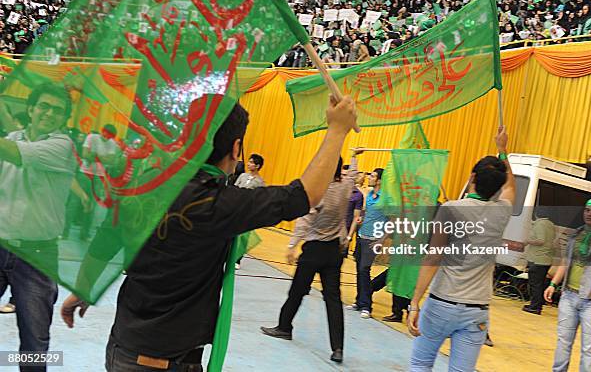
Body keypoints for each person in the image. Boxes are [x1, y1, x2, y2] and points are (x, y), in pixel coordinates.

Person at [61, 95, 357, 371]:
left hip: (123, 347)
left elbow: (104, 242)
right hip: (165, 360)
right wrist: (337, 130)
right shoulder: (219, 203)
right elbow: (304, 196)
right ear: (237, 148)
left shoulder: (145, 183)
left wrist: (82, 289)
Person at [408, 126, 516, 372]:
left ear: (472, 178)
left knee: (420, 364)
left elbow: (433, 257)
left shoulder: (451, 209)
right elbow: (511, 188)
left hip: (441, 303)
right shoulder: (502, 211)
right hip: (477, 310)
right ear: (497, 186)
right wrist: (503, 150)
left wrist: (415, 302)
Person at [0, 83, 76, 371]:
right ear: (31, 109)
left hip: (37, 256)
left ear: (63, 118)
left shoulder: (62, 146)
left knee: (34, 343)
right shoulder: (12, 138)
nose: (49, 113)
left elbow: (17, 154)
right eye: (43, 106)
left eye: (57, 110)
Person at [261, 149, 361, 364]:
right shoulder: (346, 188)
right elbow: (352, 175)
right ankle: (338, 348)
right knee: (333, 299)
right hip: (334, 252)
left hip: (314, 250)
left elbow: (304, 221)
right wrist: (355, 157)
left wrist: (291, 245)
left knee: (297, 291)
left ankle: (284, 327)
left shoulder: (319, 192)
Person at [544, 198, 591, 372]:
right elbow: (566, 263)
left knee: (590, 348)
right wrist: (553, 284)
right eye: (587, 210)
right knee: (563, 342)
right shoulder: (575, 235)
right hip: (569, 296)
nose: (589, 213)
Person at [346, 167, 386, 319]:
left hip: (373, 240)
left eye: (373, 176)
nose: (370, 177)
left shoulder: (386, 198)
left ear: (380, 180)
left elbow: (393, 221)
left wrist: (382, 239)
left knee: (364, 269)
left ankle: (366, 306)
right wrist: (361, 218)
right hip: (362, 236)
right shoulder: (369, 195)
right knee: (359, 270)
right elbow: (366, 213)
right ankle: (359, 301)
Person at [523, 207, 555, 315]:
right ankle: (537, 305)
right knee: (539, 284)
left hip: (537, 259)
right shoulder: (551, 225)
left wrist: (528, 241)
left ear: (536, 214)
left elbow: (541, 240)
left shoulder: (540, 224)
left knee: (535, 284)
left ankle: (534, 307)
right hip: (546, 259)